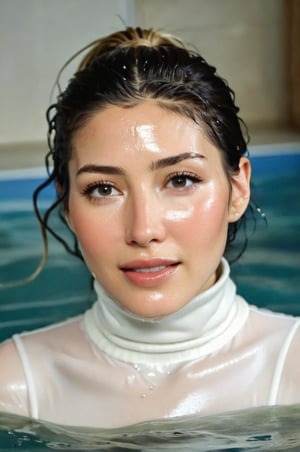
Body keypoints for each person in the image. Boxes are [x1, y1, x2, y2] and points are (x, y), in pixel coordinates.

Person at [0, 27, 299, 429]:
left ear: (237, 190)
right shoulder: (13, 390)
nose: (143, 230)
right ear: (67, 205)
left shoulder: (293, 372)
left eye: (180, 180)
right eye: (103, 189)